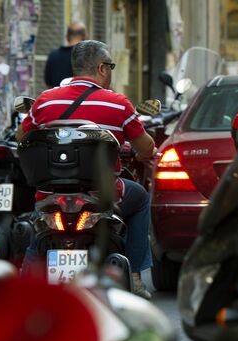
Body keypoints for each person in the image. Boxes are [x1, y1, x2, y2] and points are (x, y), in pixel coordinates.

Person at [19, 40, 157, 299]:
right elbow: (147, 148)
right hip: (103, 195)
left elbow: (21, 139)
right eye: (111, 67)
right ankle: (136, 276)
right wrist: (141, 151)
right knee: (140, 198)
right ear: (102, 68)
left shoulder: (44, 101)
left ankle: (24, 286)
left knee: (37, 235)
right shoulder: (118, 104)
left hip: (50, 197)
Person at [44, 22, 86, 88]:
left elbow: (48, 83)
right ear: (84, 37)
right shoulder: (86, 56)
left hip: (57, 94)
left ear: (67, 36)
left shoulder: (53, 55)